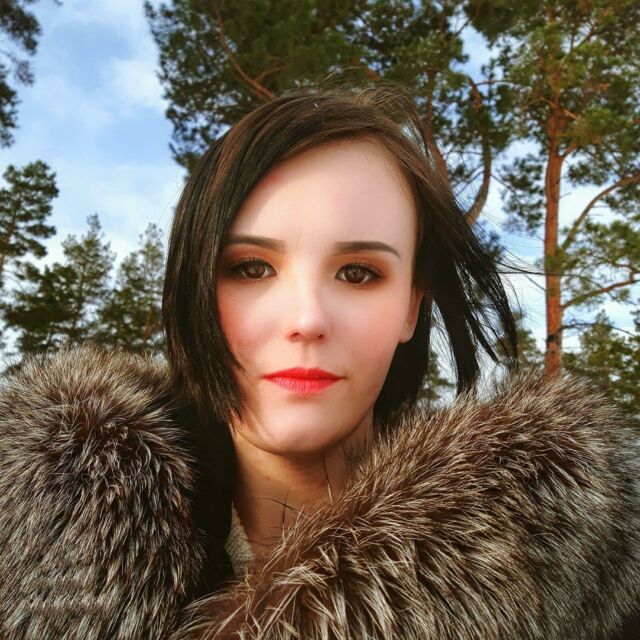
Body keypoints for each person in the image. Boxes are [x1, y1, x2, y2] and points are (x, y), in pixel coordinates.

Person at [0, 84, 638, 640]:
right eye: (252, 268)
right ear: (192, 290)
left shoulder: (588, 579)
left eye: (358, 273)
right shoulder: (25, 549)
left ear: (410, 308)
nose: (306, 319)